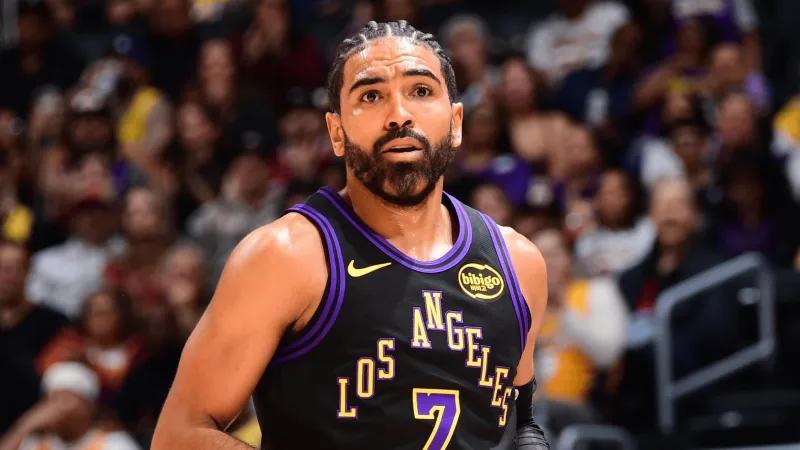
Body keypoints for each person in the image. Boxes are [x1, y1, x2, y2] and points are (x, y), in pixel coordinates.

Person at [153, 20, 550, 449]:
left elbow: (522, 422)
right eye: (371, 96)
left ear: (455, 122)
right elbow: (179, 435)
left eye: (420, 91)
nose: (399, 114)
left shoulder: (519, 263)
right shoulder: (285, 256)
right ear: (336, 132)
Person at [0, 241, 68, 434]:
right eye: (1, 268)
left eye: (13, 269)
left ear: (28, 272)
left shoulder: (54, 324)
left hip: (38, 432)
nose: (6, 276)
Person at [0, 361, 140, 450]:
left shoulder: (112, 443)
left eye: (67, 397)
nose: (58, 406)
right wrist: (26, 425)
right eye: (53, 398)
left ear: (88, 406)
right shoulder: (37, 444)